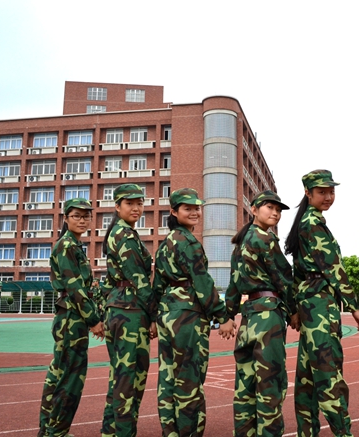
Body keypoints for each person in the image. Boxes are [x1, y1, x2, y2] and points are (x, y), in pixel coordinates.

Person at [284, 169, 359, 437]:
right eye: (322, 192)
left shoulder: (305, 222)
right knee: (329, 374)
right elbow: (334, 268)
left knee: (307, 378)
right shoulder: (313, 223)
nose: (328, 196)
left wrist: (296, 308)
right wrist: (354, 306)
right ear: (308, 193)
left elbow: (297, 272)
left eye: (331, 191)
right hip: (320, 306)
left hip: (310, 305)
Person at [152, 188, 235, 437]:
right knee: (189, 378)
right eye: (187, 208)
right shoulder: (188, 242)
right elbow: (202, 282)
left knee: (168, 377)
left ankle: (171, 432)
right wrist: (222, 317)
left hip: (167, 314)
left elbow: (157, 285)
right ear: (174, 212)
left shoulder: (165, 244)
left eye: (197, 208)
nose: (195, 212)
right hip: (187, 316)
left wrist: (154, 316)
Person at [225, 190, 298, 437]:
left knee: (245, 388)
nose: (275, 213)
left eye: (278, 210)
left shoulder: (240, 244)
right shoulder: (266, 238)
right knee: (270, 384)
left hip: (248, 318)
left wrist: (228, 315)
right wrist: (294, 311)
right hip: (268, 315)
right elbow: (283, 278)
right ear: (254, 210)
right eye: (270, 207)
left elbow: (233, 284)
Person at [38, 198, 105, 437]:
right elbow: (75, 288)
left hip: (69, 316)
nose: (82, 220)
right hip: (72, 318)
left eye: (86, 216)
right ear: (66, 218)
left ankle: (48, 429)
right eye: (77, 216)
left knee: (58, 374)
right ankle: (57, 431)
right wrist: (93, 320)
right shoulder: (67, 246)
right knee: (71, 378)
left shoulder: (73, 245)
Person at [100, 184, 154, 437]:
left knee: (120, 378)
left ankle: (111, 432)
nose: (136, 208)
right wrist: (154, 314)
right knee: (129, 380)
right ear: (117, 206)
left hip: (120, 308)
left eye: (139, 203)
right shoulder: (125, 235)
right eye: (129, 203)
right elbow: (139, 279)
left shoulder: (120, 232)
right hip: (130, 311)